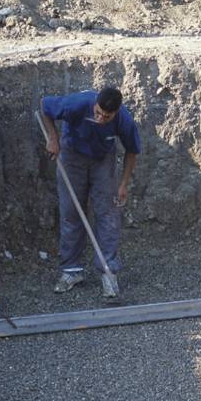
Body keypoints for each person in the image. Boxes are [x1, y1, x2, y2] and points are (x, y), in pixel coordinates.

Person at [40, 87, 142, 298]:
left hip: (103, 160)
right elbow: (45, 106)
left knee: (108, 213)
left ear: (116, 112)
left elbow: (132, 150)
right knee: (71, 211)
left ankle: (108, 271)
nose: (100, 118)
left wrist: (123, 184)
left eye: (107, 116)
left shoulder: (124, 120)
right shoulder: (76, 104)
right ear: (95, 103)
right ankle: (71, 270)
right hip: (71, 155)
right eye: (97, 112)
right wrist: (52, 137)